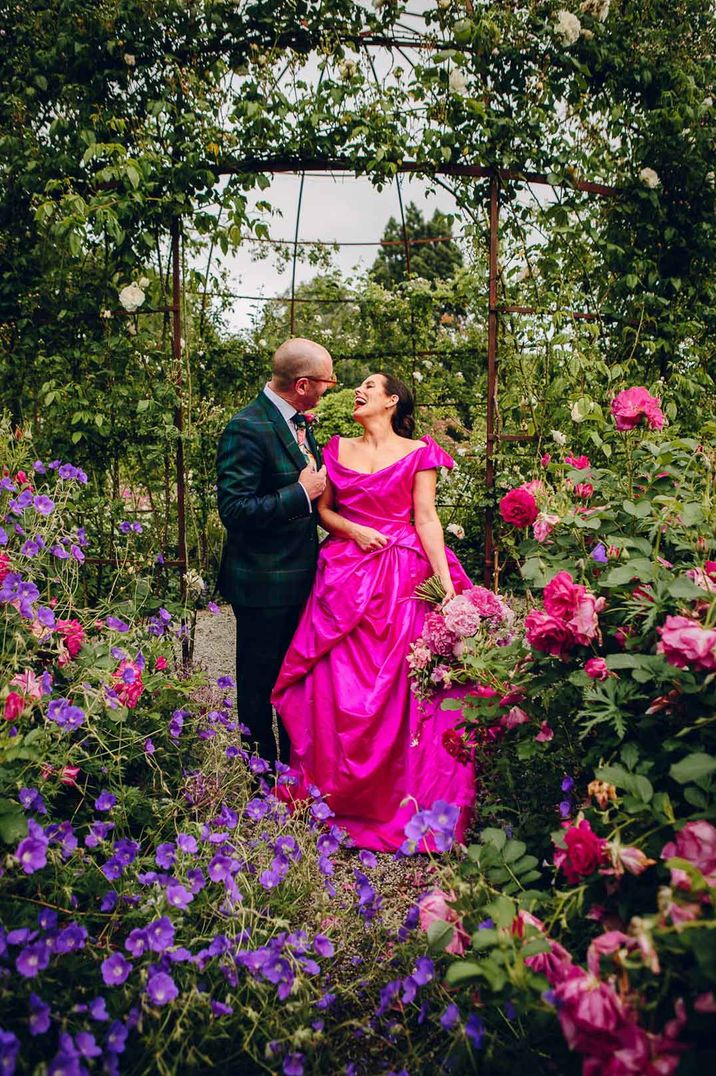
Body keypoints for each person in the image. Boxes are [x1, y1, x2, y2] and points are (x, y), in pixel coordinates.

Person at [271, 372, 475, 852]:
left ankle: (403, 800)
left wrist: (446, 587)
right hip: (344, 574)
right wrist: (355, 533)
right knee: (332, 685)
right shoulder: (336, 449)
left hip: (403, 577)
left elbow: (425, 517)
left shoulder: (419, 452)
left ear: (391, 401)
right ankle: (337, 795)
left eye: (368, 386)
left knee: (406, 687)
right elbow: (325, 512)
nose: (357, 392)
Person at [216, 338, 337, 766]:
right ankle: (259, 780)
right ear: (302, 384)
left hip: (300, 580)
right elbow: (234, 510)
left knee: (292, 683)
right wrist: (299, 494)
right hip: (262, 585)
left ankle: (292, 775)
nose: (332, 387)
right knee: (258, 688)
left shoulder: (299, 421)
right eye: (326, 381)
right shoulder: (246, 427)